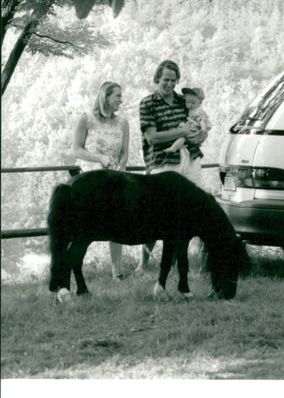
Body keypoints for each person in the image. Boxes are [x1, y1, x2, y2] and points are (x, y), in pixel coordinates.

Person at [137, 60, 208, 271]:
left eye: (173, 80)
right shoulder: (147, 103)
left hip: (191, 158)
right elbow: (152, 138)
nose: (169, 84)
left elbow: (199, 129)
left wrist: (199, 135)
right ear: (157, 79)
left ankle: (179, 262)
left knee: (189, 210)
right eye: (166, 80)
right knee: (156, 212)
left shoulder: (184, 101)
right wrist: (182, 132)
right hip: (163, 160)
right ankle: (144, 264)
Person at [71, 81, 129, 279]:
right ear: (106, 97)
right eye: (118, 96)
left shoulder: (123, 122)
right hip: (91, 179)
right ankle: (75, 269)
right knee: (85, 225)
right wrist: (100, 158)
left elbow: (124, 152)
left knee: (119, 222)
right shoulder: (86, 119)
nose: (121, 100)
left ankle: (117, 271)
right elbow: (76, 149)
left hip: (115, 178)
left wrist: (121, 165)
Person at [164, 87, 211, 178]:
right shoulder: (192, 110)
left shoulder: (198, 111)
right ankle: (178, 145)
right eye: (187, 102)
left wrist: (204, 128)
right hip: (191, 125)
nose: (189, 105)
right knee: (182, 131)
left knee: (183, 137)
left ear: (199, 102)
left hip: (195, 129)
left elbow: (202, 120)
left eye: (193, 103)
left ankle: (173, 147)